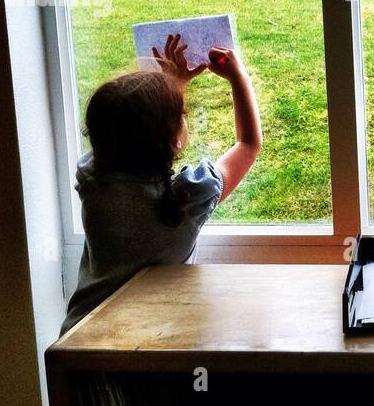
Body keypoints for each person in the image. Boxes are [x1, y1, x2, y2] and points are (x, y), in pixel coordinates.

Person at [60, 34, 262, 335]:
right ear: (175, 140)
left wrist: (171, 88)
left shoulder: (92, 184)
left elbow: (120, 136)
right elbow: (248, 143)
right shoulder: (190, 197)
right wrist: (238, 76)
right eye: (182, 114)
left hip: (84, 345)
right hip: (154, 349)